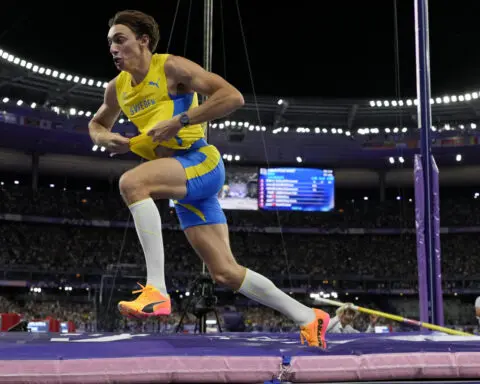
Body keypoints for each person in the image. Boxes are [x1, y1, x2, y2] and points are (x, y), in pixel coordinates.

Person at [88, 9, 330, 348]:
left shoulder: (172, 68)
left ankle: (156, 289)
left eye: (120, 40)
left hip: (200, 162)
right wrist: (103, 139)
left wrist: (181, 120)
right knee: (225, 272)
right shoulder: (116, 89)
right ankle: (309, 316)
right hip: (181, 183)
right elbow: (97, 124)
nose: (113, 48)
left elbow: (232, 97)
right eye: (110, 42)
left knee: (132, 183)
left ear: (143, 41)